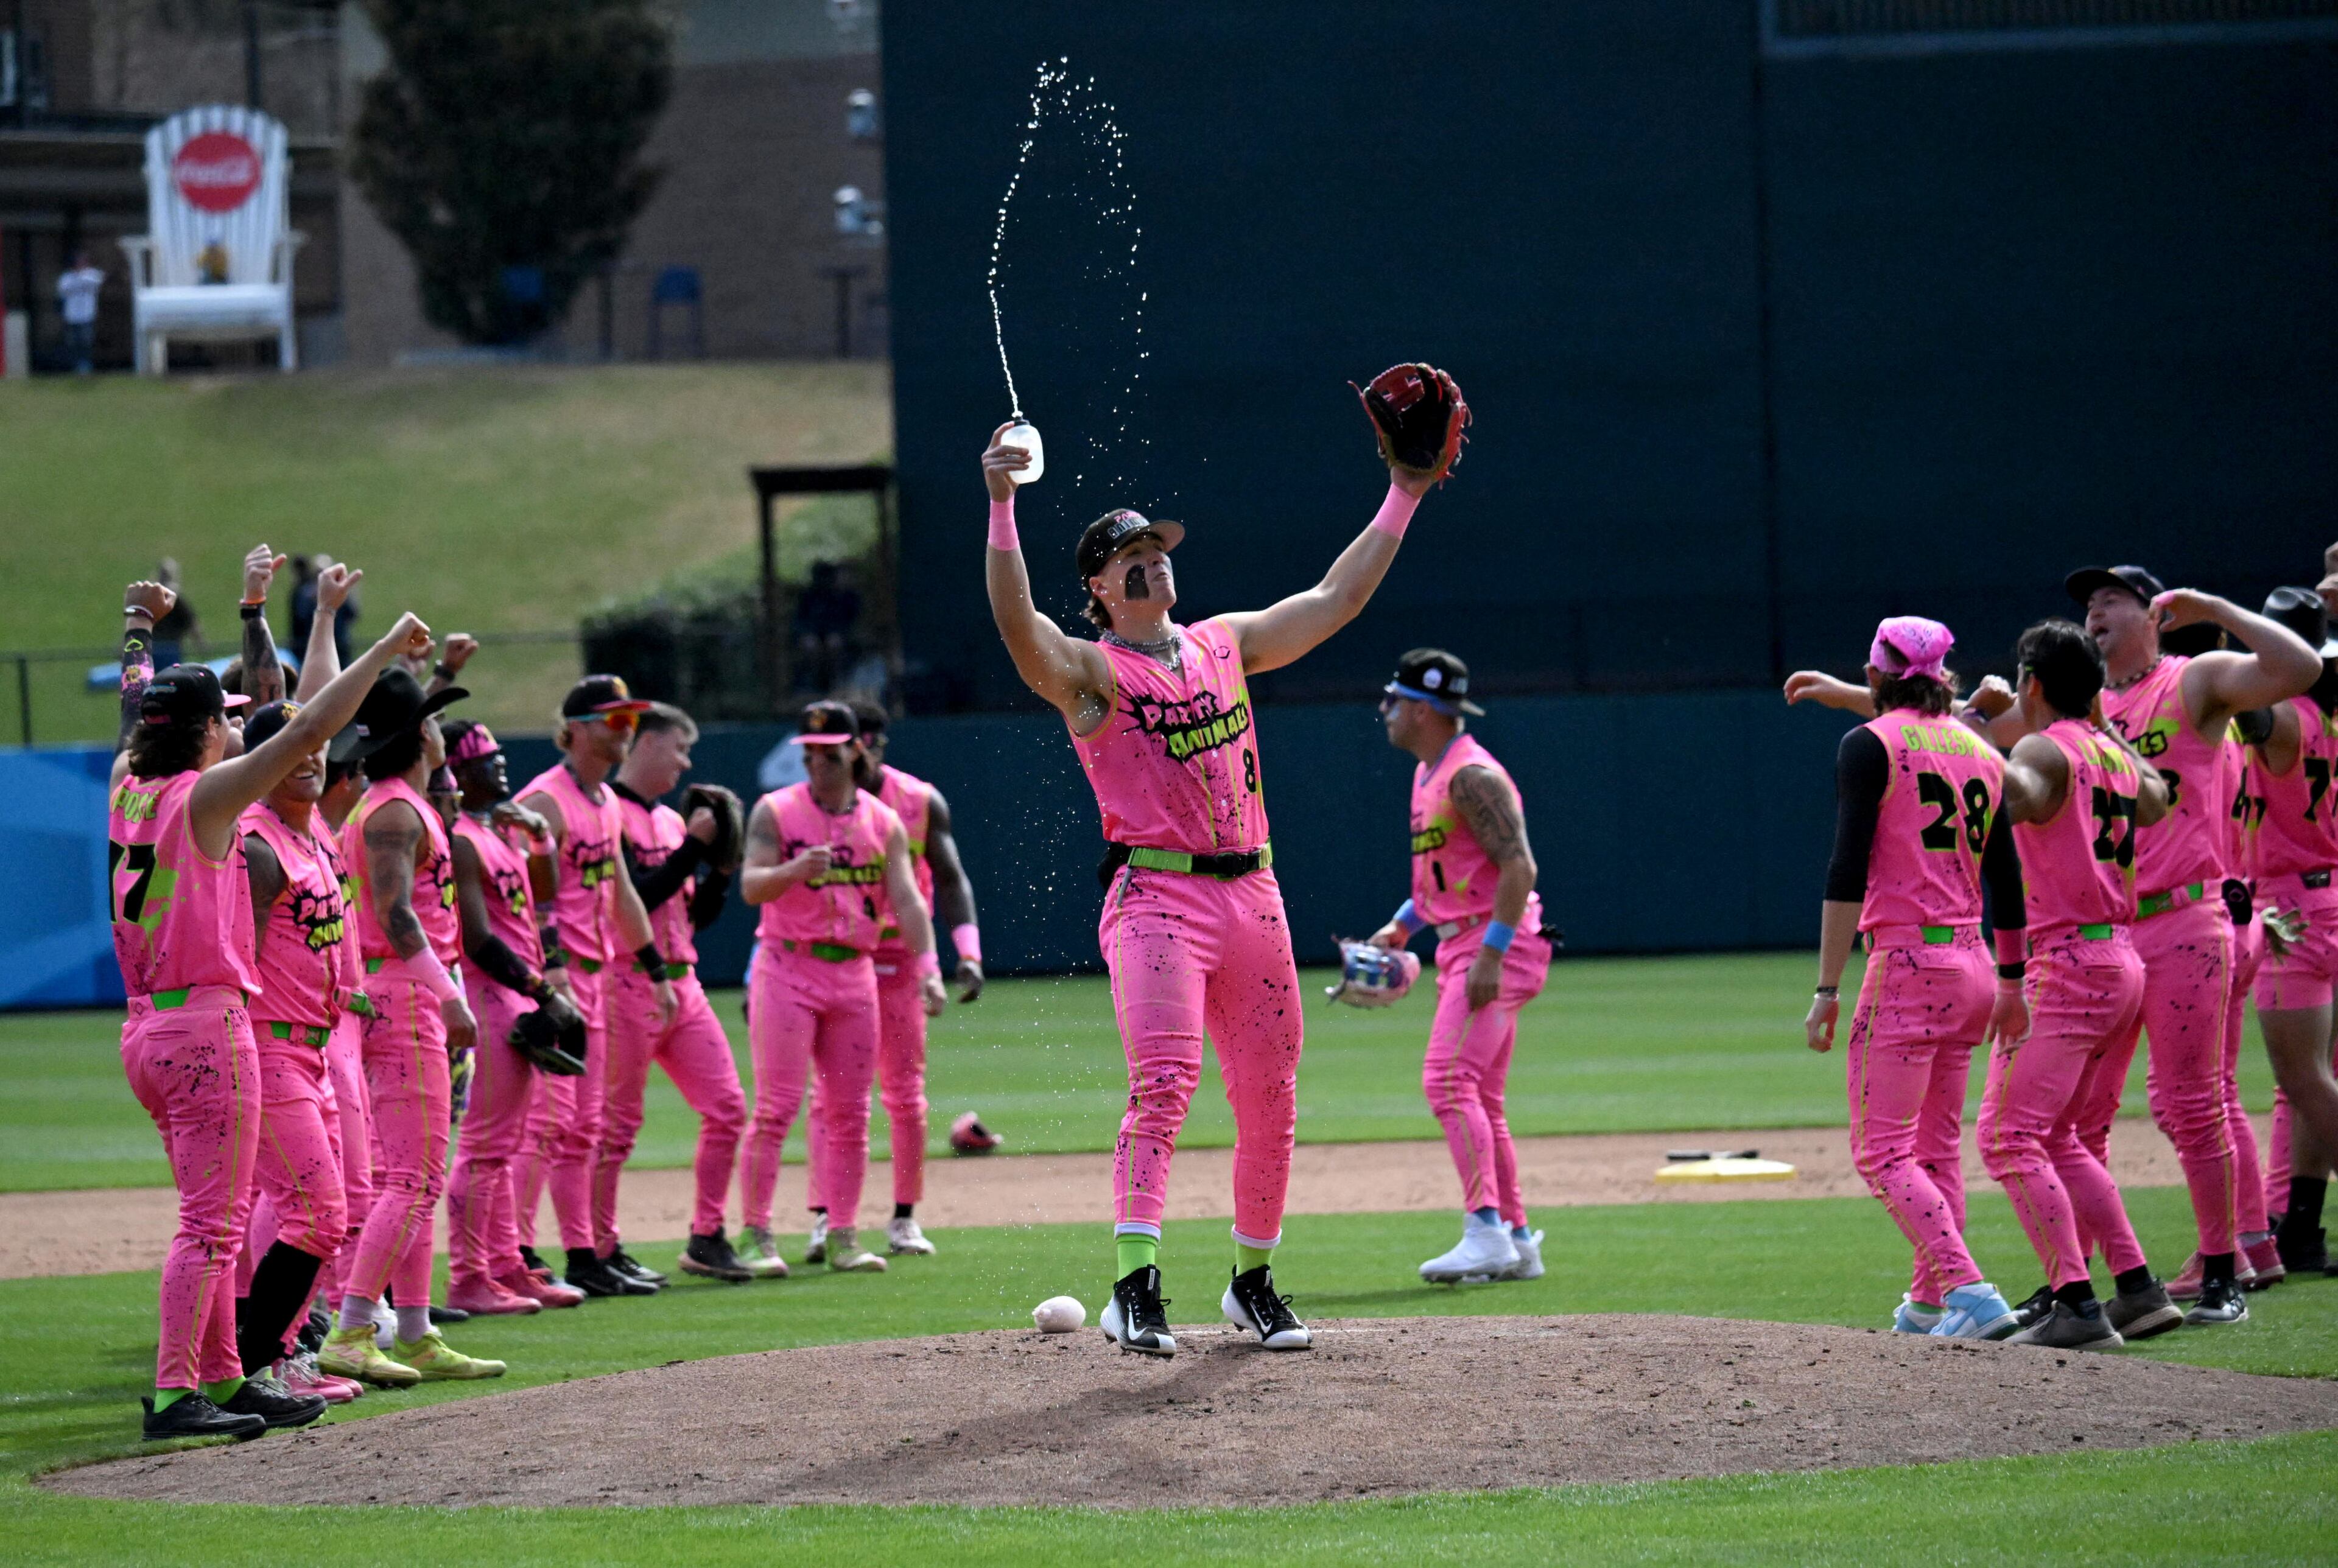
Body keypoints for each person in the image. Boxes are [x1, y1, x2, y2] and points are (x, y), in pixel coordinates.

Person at [978, 387, 1446, 1357]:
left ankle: (1253, 1281)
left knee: (1272, 1094)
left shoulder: (1222, 643)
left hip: (1253, 892)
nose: (1151, 556)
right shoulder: (1095, 676)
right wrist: (1000, 507)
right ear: (1100, 590)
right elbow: (1021, 634)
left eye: (1157, 546)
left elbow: (1334, 601)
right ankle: (1135, 1288)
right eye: (1126, 555)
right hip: (1155, 895)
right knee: (1165, 1083)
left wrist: (1404, 492)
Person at [108, 576, 426, 1441]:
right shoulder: (205, 800)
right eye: (230, 718)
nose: (239, 729)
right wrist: (389, 644)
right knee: (209, 1227)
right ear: (208, 730)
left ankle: (223, 1377)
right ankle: (179, 1396)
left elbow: (137, 706)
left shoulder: (127, 787)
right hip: (208, 1024)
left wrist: (139, 627)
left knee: (213, 1220)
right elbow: (315, 728)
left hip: (148, 1024)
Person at [2065, 566, 2319, 1304]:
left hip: (2190, 915)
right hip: (2123, 929)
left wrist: (2214, 605)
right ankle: (2091, 1276)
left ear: (2156, 614)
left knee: (2194, 1098)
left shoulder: (2191, 679)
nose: (2095, 610)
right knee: (2098, 1113)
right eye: (2089, 603)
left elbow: (2298, 666)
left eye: (2111, 598)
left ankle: (2227, 1262)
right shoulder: (2087, 707)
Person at [1790, 616, 2026, 1340]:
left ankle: (1972, 1290)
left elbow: (1846, 867)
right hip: (1975, 961)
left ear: (1877, 674)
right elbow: (2007, 874)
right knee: (1934, 1148)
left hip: (1909, 963)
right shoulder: (1980, 748)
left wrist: (1828, 987)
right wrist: (2014, 979)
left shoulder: (1867, 744)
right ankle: (1929, 1304)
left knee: (1881, 1151)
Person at [1972, 620, 2188, 1349]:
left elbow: (2019, 793)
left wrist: (1966, 726)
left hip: (2066, 963)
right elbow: (2158, 797)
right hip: (2121, 960)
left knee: (2007, 1137)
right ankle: (2137, 1288)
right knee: (2061, 1134)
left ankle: (2077, 1306)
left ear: (2031, 683)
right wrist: (2104, 725)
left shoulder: (2041, 748)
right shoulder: (2108, 752)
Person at [318, 667, 507, 1385]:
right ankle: (355, 1325)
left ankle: (419, 1329)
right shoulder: (396, 811)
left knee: (416, 1174)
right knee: (417, 1174)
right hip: (405, 995)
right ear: (419, 735)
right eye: (430, 718)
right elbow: (396, 918)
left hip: (395, 992)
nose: (438, 729)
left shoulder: (392, 804)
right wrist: (448, 994)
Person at [739, 701, 947, 1274]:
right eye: (809, 755)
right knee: (778, 1107)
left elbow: (907, 898)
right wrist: (792, 872)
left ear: (856, 751)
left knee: (851, 1112)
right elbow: (752, 887)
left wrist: (928, 965)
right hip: (788, 966)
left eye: (829, 755)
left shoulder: (882, 821)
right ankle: (755, 1234)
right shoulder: (775, 811)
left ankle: (845, 1236)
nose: (817, 766)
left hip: (853, 972)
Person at [1366, 650, 1553, 1284]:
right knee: (1484, 1097)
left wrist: (1494, 953)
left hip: (1495, 942)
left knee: (1447, 1080)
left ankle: (1485, 1230)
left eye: (1393, 699)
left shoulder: (1472, 775)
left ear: (1423, 708)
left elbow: (1519, 866)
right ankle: (1519, 1239)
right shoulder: (1431, 773)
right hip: (1463, 938)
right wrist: (1402, 926)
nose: (1385, 710)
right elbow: (1448, 879)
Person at [795, 701, 986, 1268]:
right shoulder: (805, 808)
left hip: (899, 960)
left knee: (905, 1093)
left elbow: (950, 879)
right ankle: (827, 1218)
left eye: (867, 741)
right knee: (827, 1098)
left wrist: (966, 955)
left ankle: (904, 1217)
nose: (861, 752)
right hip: (836, 960)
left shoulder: (917, 801)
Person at [513, 675, 678, 1299]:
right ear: (576, 727)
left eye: (630, 718)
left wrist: (654, 967)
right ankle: (519, 1250)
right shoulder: (545, 801)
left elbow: (622, 893)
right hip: (552, 978)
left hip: (598, 975)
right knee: (545, 1124)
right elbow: (526, 898)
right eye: (613, 719)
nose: (625, 729)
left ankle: (582, 1253)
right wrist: (548, 971)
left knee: (585, 1124)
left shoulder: (607, 802)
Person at [230, 696, 373, 1402]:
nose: (313, 755)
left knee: (320, 1209)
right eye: (294, 746)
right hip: (268, 1048)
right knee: (317, 1212)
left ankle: (282, 1356)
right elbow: (242, 959)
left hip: (316, 1047)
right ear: (263, 762)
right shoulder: (256, 843)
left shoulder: (311, 829)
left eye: (318, 744)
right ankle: (255, 1364)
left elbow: (315, 698)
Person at [443, 718, 589, 1313]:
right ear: (456, 769)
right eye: (485, 756)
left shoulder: (495, 829)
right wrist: (537, 986)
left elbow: (543, 894)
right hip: (488, 992)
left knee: (505, 1144)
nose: (499, 763)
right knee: (484, 1145)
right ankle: (469, 1275)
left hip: (518, 993)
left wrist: (540, 842)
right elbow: (476, 937)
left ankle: (507, 1264)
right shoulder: (457, 836)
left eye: (499, 751)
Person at [606, 703, 754, 1283]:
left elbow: (692, 916)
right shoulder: (607, 813)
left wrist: (719, 870)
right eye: (679, 749)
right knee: (615, 1125)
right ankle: (599, 1249)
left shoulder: (670, 823)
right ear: (646, 745)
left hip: (680, 981)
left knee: (728, 1108)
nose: (685, 763)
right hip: (624, 980)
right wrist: (695, 848)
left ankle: (707, 1236)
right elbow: (634, 899)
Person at [2240, 587, 2338, 1278]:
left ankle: (2297, 1224)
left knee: (2304, 1079)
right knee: (2312, 1081)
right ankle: (2301, 1226)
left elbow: (2232, 706)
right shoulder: (2327, 714)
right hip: (2326, 891)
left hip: (2292, 908)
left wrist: (2223, 626)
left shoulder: (2285, 719)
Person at [58, 251, 102, 374]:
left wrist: (80, 276)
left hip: (87, 314)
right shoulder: (67, 277)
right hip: (72, 315)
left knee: (87, 341)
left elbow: (95, 283)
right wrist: (76, 278)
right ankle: (76, 366)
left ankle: (86, 366)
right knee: (73, 342)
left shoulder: (93, 275)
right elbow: (63, 289)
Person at [152, 558, 198, 668]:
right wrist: (200, 644)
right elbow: (192, 622)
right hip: (169, 648)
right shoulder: (175, 597)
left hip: (157, 647)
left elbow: (139, 621)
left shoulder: (151, 596)